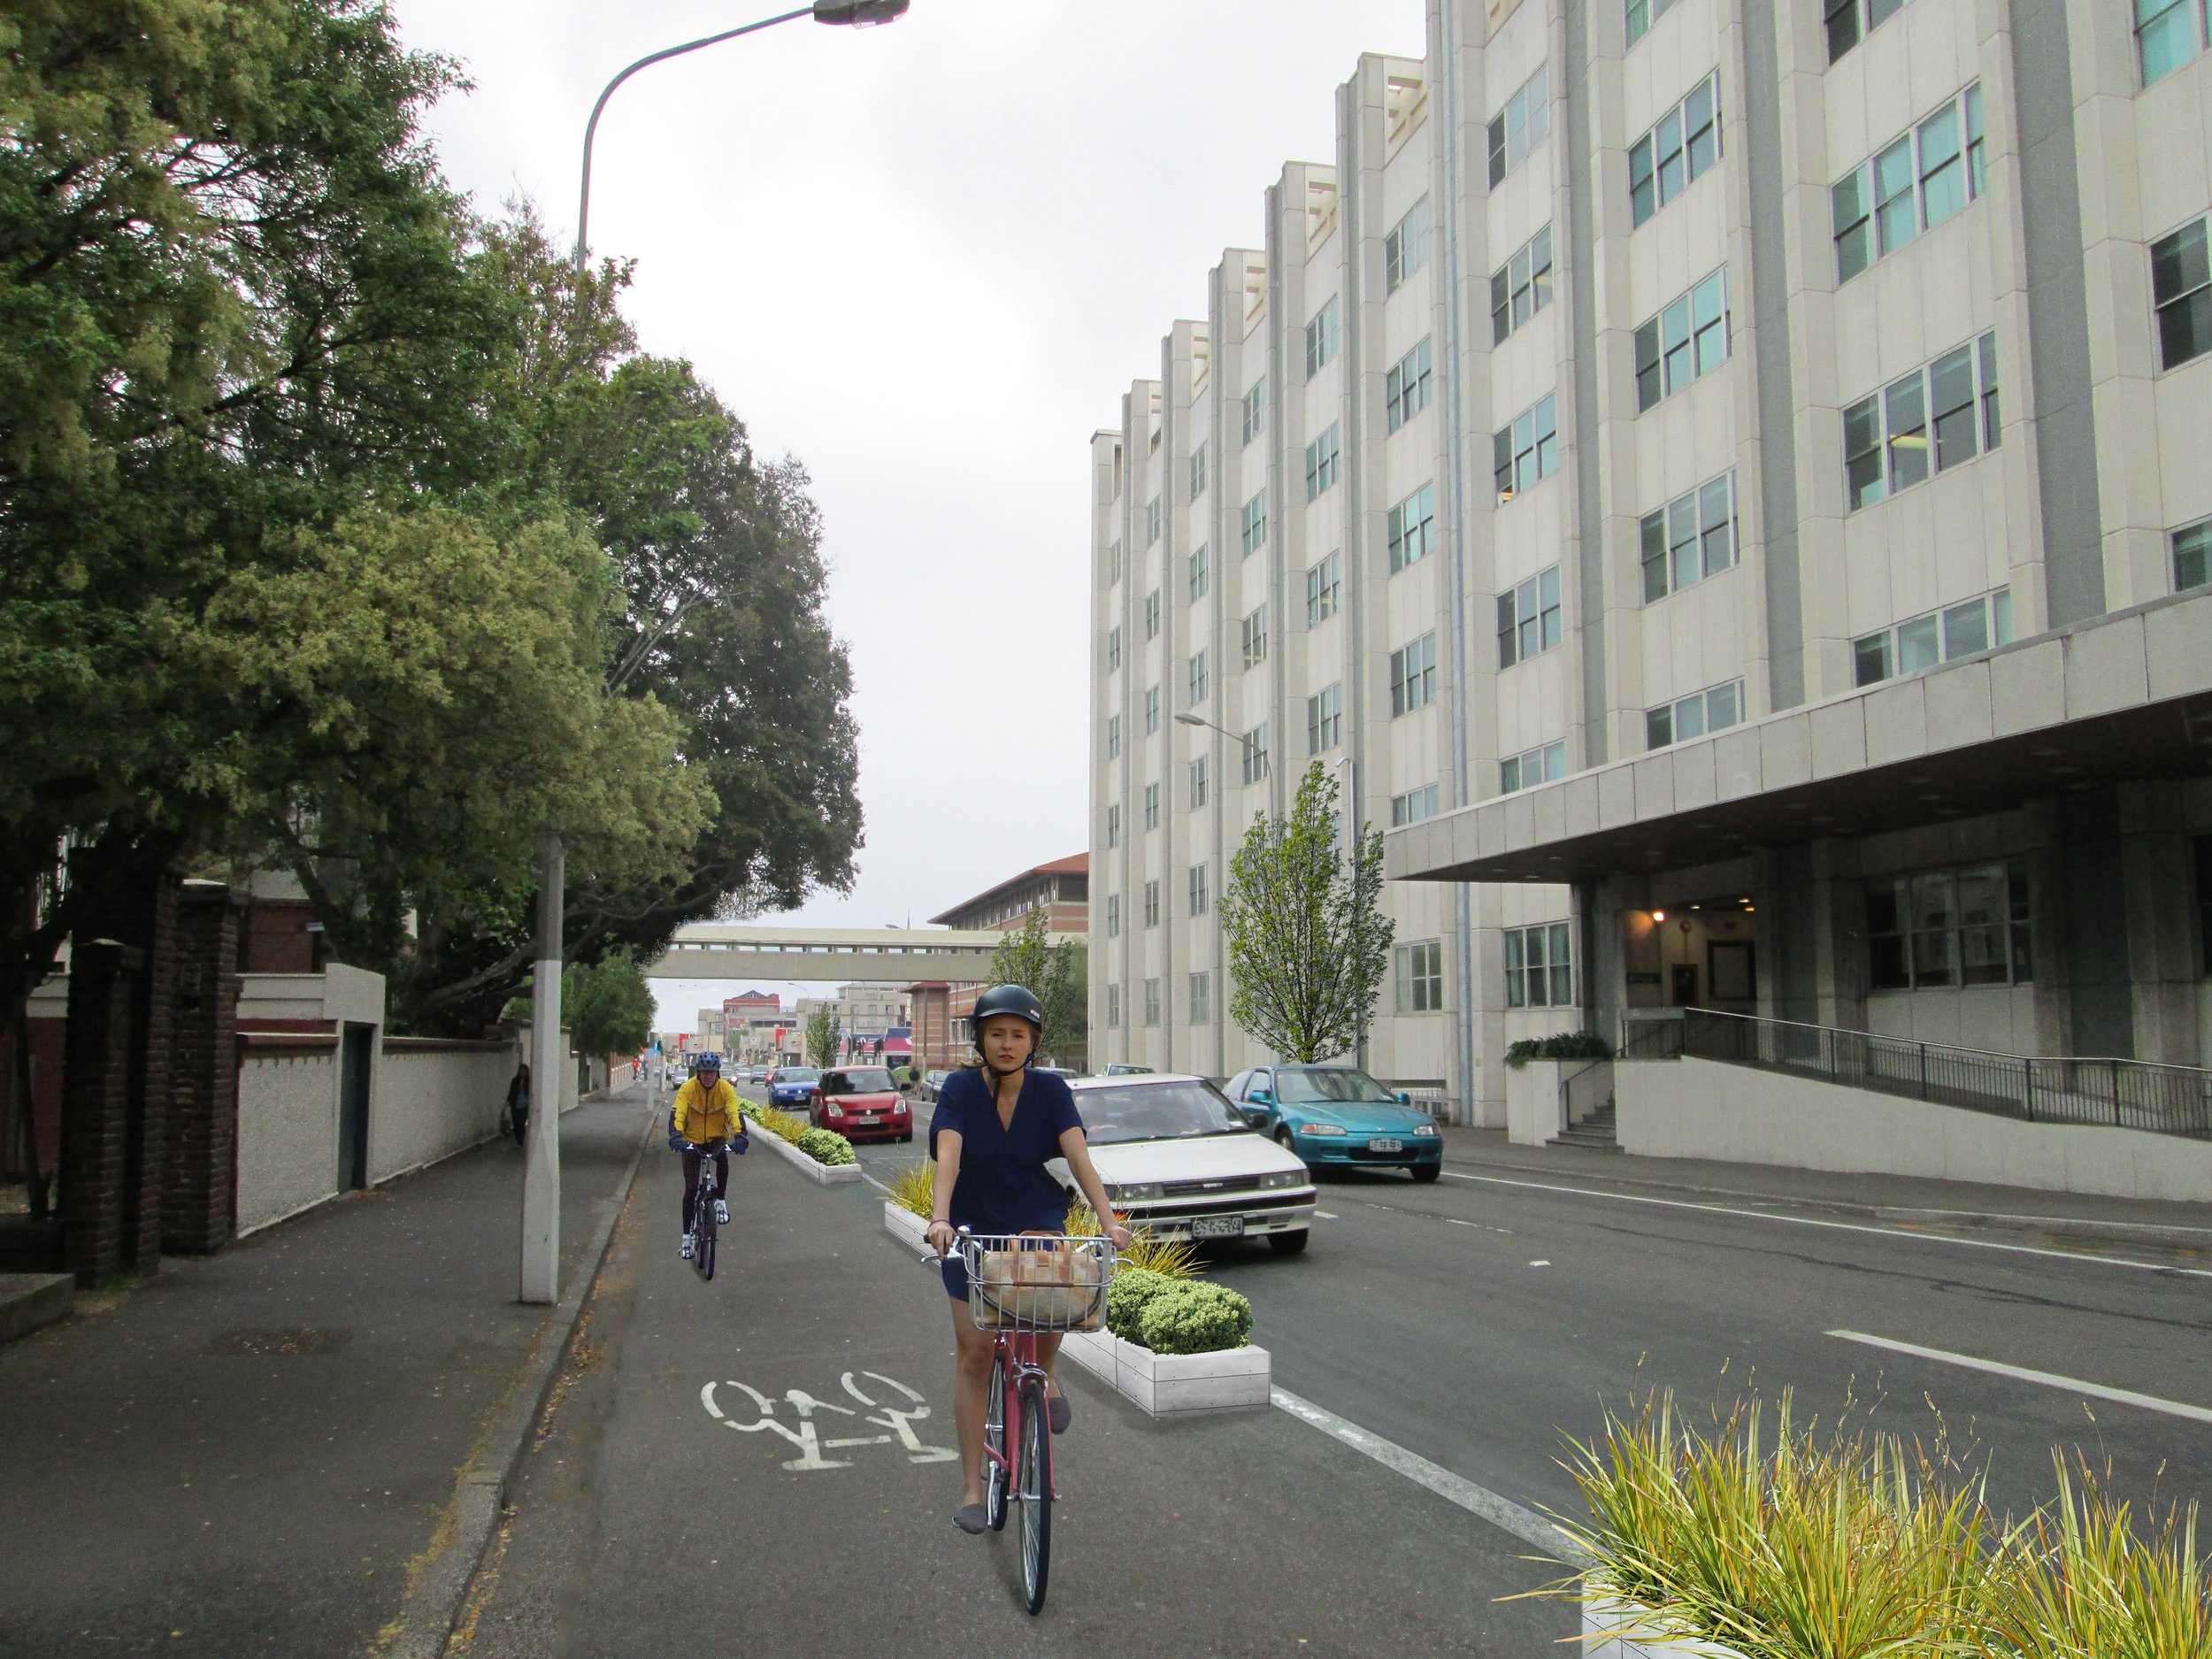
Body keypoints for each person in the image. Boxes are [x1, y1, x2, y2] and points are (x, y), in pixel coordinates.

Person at [924, 985, 1130, 1536]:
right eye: (997, 1033)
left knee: (1055, 1306)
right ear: (981, 1040)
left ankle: (1049, 1374)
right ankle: (972, 1486)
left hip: (1037, 1226)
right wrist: (940, 1218)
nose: (1007, 1043)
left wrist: (1109, 1222)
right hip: (972, 1231)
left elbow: (1079, 1159)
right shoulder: (961, 1089)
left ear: (1033, 1042)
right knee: (974, 1355)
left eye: (1018, 1034)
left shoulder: (1051, 1091)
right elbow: (948, 1155)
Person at [668, 1051, 747, 1259]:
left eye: (712, 1072)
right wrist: (676, 1135)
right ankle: (686, 1239)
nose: (708, 1076)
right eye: (704, 1072)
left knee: (722, 1157)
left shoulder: (725, 1089)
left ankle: (720, 1200)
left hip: (716, 1138)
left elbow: (734, 1114)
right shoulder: (688, 1089)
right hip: (692, 1140)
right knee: (691, 1189)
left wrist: (740, 1137)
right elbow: (678, 1113)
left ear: (717, 1072)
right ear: (699, 1073)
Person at [504, 1063, 530, 1148]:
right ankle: (518, 1138)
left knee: (521, 1123)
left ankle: (520, 1141)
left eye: (525, 1071)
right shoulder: (515, 1081)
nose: (523, 1073)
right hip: (515, 1105)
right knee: (516, 1124)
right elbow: (511, 1092)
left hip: (524, 1105)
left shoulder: (529, 1082)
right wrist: (507, 1103)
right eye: (522, 1071)